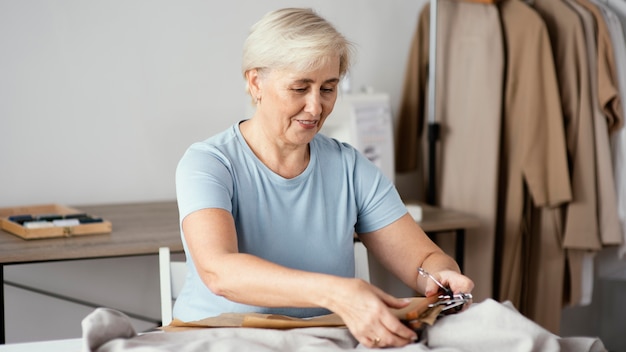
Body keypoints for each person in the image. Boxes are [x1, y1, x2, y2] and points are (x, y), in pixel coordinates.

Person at [174, 7, 474, 348]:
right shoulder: (209, 163)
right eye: (300, 88)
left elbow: (422, 261)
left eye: (328, 89)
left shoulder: (348, 167)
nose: (316, 107)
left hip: (322, 342)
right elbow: (220, 272)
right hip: (222, 340)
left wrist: (441, 274)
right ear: (255, 82)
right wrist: (339, 292)